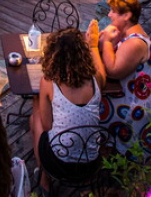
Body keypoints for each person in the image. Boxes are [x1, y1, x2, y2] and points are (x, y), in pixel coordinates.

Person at [30, 24, 105, 192]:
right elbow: (102, 73)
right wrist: (93, 45)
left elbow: (47, 126)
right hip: (91, 161)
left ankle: (44, 179)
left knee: (35, 117)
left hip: (60, 163)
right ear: (83, 53)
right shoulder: (96, 79)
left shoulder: (49, 83)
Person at [95, 0, 151, 154]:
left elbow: (113, 70)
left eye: (113, 11)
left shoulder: (134, 43)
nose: (109, 14)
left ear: (127, 16)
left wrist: (106, 42)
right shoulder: (130, 34)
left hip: (136, 106)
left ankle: (104, 152)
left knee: (90, 108)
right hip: (136, 94)